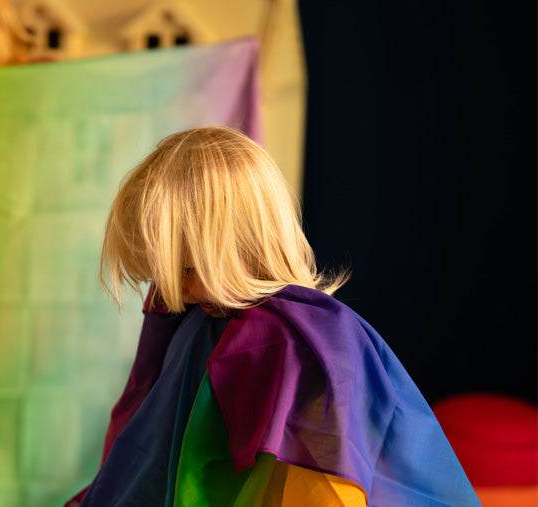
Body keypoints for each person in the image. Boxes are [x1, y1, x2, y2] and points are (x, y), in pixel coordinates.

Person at [68, 126, 481, 506]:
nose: (181, 292)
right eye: (165, 272)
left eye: (189, 271)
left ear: (245, 246)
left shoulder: (303, 342)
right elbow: (146, 454)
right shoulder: (195, 321)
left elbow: (327, 474)